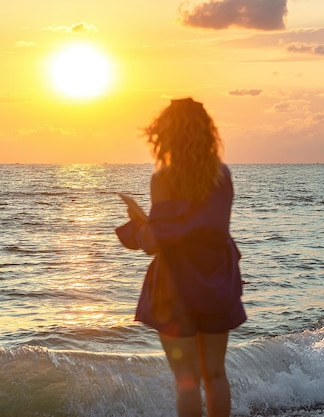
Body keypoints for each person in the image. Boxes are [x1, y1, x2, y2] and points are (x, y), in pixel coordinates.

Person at [116, 98, 246, 417]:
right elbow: (209, 227)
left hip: (176, 288)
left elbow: (157, 242)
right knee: (215, 373)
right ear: (206, 132)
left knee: (187, 379)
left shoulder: (164, 178)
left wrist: (139, 221)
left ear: (165, 134)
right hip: (216, 279)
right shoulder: (222, 175)